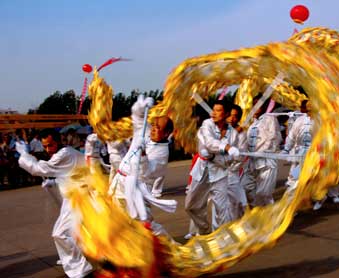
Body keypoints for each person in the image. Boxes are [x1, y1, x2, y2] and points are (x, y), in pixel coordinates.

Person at [15, 130, 93, 278]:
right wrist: (54, 181)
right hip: (79, 197)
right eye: (45, 146)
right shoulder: (67, 153)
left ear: (59, 141)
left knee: (61, 233)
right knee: (78, 233)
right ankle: (80, 262)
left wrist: (24, 154)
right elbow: (69, 173)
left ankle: (80, 270)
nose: (47, 150)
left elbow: (39, 169)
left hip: (80, 199)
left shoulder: (64, 154)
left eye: (50, 145)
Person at [108, 95, 177, 234]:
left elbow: (147, 173)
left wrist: (143, 154)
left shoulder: (162, 153)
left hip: (136, 189)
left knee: (144, 225)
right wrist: (140, 106)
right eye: (154, 126)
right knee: (116, 219)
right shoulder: (146, 133)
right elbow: (138, 118)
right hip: (120, 183)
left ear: (167, 133)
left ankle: (167, 247)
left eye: (158, 128)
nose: (153, 129)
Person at [185, 100, 240, 234]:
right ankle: (204, 231)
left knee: (222, 209)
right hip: (201, 171)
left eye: (218, 110)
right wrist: (226, 148)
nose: (213, 113)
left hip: (220, 174)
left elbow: (229, 161)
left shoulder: (233, 134)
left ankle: (223, 238)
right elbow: (209, 143)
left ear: (226, 114)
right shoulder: (207, 124)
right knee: (190, 206)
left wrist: (216, 157)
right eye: (213, 110)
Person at [240, 94, 282, 207]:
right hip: (253, 163)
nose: (254, 108)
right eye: (253, 105)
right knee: (244, 187)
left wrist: (261, 152)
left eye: (257, 105)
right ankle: (258, 213)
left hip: (267, 162)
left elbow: (272, 137)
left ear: (263, 107)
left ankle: (270, 219)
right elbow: (247, 142)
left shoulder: (270, 118)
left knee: (264, 194)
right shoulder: (253, 123)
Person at [281, 100, 313, 190]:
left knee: (313, 175)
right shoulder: (300, 120)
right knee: (296, 174)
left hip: (314, 152)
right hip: (301, 151)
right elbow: (292, 136)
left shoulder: (320, 120)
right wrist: (286, 149)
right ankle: (294, 190)